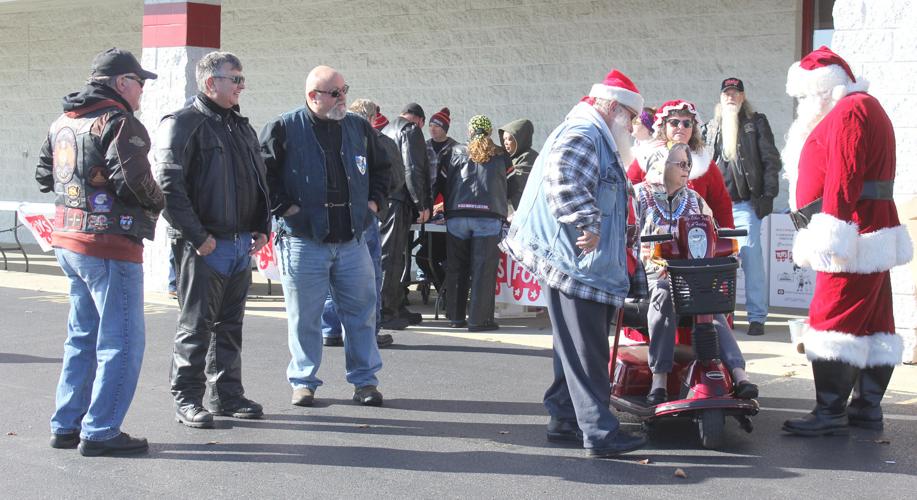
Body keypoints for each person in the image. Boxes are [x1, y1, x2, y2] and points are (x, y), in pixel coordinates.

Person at [502, 69, 647, 458]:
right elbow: (562, 179)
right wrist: (588, 222)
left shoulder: (589, 131)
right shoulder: (585, 133)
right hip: (575, 259)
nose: (633, 127)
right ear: (614, 108)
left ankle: (565, 417)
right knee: (587, 348)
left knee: (573, 344)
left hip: (575, 260)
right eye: (631, 118)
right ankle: (600, 432)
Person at [36, 47, 163, 456]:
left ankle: (66, 425)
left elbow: (43, 175)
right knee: (122, 340)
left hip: (69, 241)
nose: (142, 90)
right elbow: (134, 182)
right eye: (139, 82)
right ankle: (101, 430)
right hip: (110, 245)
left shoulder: (63, 121)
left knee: (82, 335)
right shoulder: (120, 121)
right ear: (121, 82)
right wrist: (161, 201)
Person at [781, 46, 912, 436]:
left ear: (825, 88)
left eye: (806, 94)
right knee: (873, 322)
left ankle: (830, 412)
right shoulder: (862, 105)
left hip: (852, 232)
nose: (805, 103)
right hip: (869, 228)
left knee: (833, 317)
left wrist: (831, 229)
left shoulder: (850, 109)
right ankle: (866, 408)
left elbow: (844, 173)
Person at [260, 65, 391, 408]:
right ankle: (303, 381)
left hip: (352, 240)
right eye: (335, 92)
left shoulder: (358, 127)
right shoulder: (285, 127)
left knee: (362, 313)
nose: (342, 97)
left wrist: (374, 204)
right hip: (304, 241)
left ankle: (365, 382)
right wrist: (286, 209)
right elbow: (261, 175)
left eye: (344, 89)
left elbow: (384, 168)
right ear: (312, 96)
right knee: (305, 316)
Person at [155, 51, 270, 429]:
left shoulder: (240, 127)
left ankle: (227, 395)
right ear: (210, 82)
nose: (242, 85)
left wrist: (262, 228)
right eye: (235, 79)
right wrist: (198, 238)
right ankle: (188, 399)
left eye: (241, 78)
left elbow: (258, 180)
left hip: (239, 244)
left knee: (230, 325)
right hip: (205, 245)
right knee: (196, 326)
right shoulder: (183, 124)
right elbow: (169, 189)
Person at [633, 144, 758, 405]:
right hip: (651, 277)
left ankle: (739, 373)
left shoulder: (695, 200)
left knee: (709, 299)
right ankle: (659, 378)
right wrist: (646, 253)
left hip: (690, 277)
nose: (686, 169)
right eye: (679, 163)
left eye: (688, 164)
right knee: (665, 294)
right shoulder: (638, 196)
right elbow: (625, 239)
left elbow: (711, 235)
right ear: (659, 165)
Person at [703, 78, 782, 336]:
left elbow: (771, 159)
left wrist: (769, 194)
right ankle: (720, 315)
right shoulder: (711, 127)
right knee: (716, 261)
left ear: (743, 96)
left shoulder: (755, 123)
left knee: (750, 256)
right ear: (720, 97)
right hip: (716, 208)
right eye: (726, 93)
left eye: (735, 93)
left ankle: (757, 316)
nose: (730, 97)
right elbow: (703, 165)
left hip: (746, 204)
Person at [321, 98, 396, 348]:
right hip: (362, 219)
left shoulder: (333, 134)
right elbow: (394, 177)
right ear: (374, 118)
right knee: (369, 276)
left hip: (345, 215)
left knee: (334, 273)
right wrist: (375, 204)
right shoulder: (378, 140)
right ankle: (368, 331)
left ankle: (331, 328)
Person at [444, 115, 511, 331]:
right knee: (483, 270)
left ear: (470, 131)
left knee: (456, 268)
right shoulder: (501, 155)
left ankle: (455, 317)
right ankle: (478, 320)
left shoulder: (455, 151)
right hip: (489, 217)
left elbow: (442, 182)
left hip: (457, 215)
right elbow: (514, 185)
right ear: (489, 132)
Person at [627, 100, 735, 229]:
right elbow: (627, 196)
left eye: (687, 123)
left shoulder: (705, 164)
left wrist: (727, 242)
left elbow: (721, 206)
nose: (681, 127)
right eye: (674, 122)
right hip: (651, 240)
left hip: (694, 240)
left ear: (693, 128)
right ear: (663, 126)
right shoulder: (645, 158)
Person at [380, 103, 432, 326]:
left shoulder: (386, 130)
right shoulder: (410, 130)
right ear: (420, 120)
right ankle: (386, 311)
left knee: (391, 255)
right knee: (391, 257)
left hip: (385, 200)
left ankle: (397, 305)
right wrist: (421, 203)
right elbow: (413, 168)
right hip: (399, 200)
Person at [418, 107, 459, 292]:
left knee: (442, 249)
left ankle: (447, 289)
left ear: (445, 128)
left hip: (447, 205)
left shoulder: (456, 148)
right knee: (425, 248)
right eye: (431, 125)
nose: (433, 128)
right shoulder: (423, 146)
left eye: (437, 126)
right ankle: (441, 287)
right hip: (426, 203)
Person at [498, 118, 539, 211]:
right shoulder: (508, 158)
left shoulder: (529, 157)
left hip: (522, 210)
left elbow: (515, 183)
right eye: (504, 139)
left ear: (520, 139)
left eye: (510, 139)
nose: (506, 143)